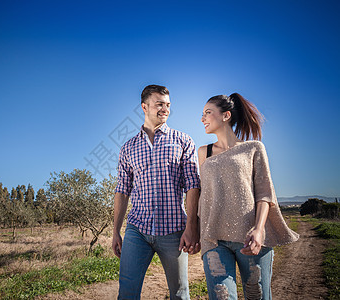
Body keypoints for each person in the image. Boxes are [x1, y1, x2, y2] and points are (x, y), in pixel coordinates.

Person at [198, 93, 299, 300]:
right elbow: (201, 193)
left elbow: (264, 193)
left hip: (251, 239)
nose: (203, 118)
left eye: (208, 113)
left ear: (226, 115)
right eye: (202, 114)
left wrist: (260, 230)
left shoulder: (253, 148)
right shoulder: (203, 153)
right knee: (221, 296)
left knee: (258, 296)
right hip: (213, 239)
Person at [112, 84, 201, 300]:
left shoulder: (183, 141)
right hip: (137, 230)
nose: (165, 109)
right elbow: (122, 191)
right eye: (159, 104)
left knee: (180, 294)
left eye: (168, 105)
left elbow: (193, 185)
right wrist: (116, 231)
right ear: (144, 106)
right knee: (127, 292)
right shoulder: (128, 148)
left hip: (174, 231)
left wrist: (191, 227)